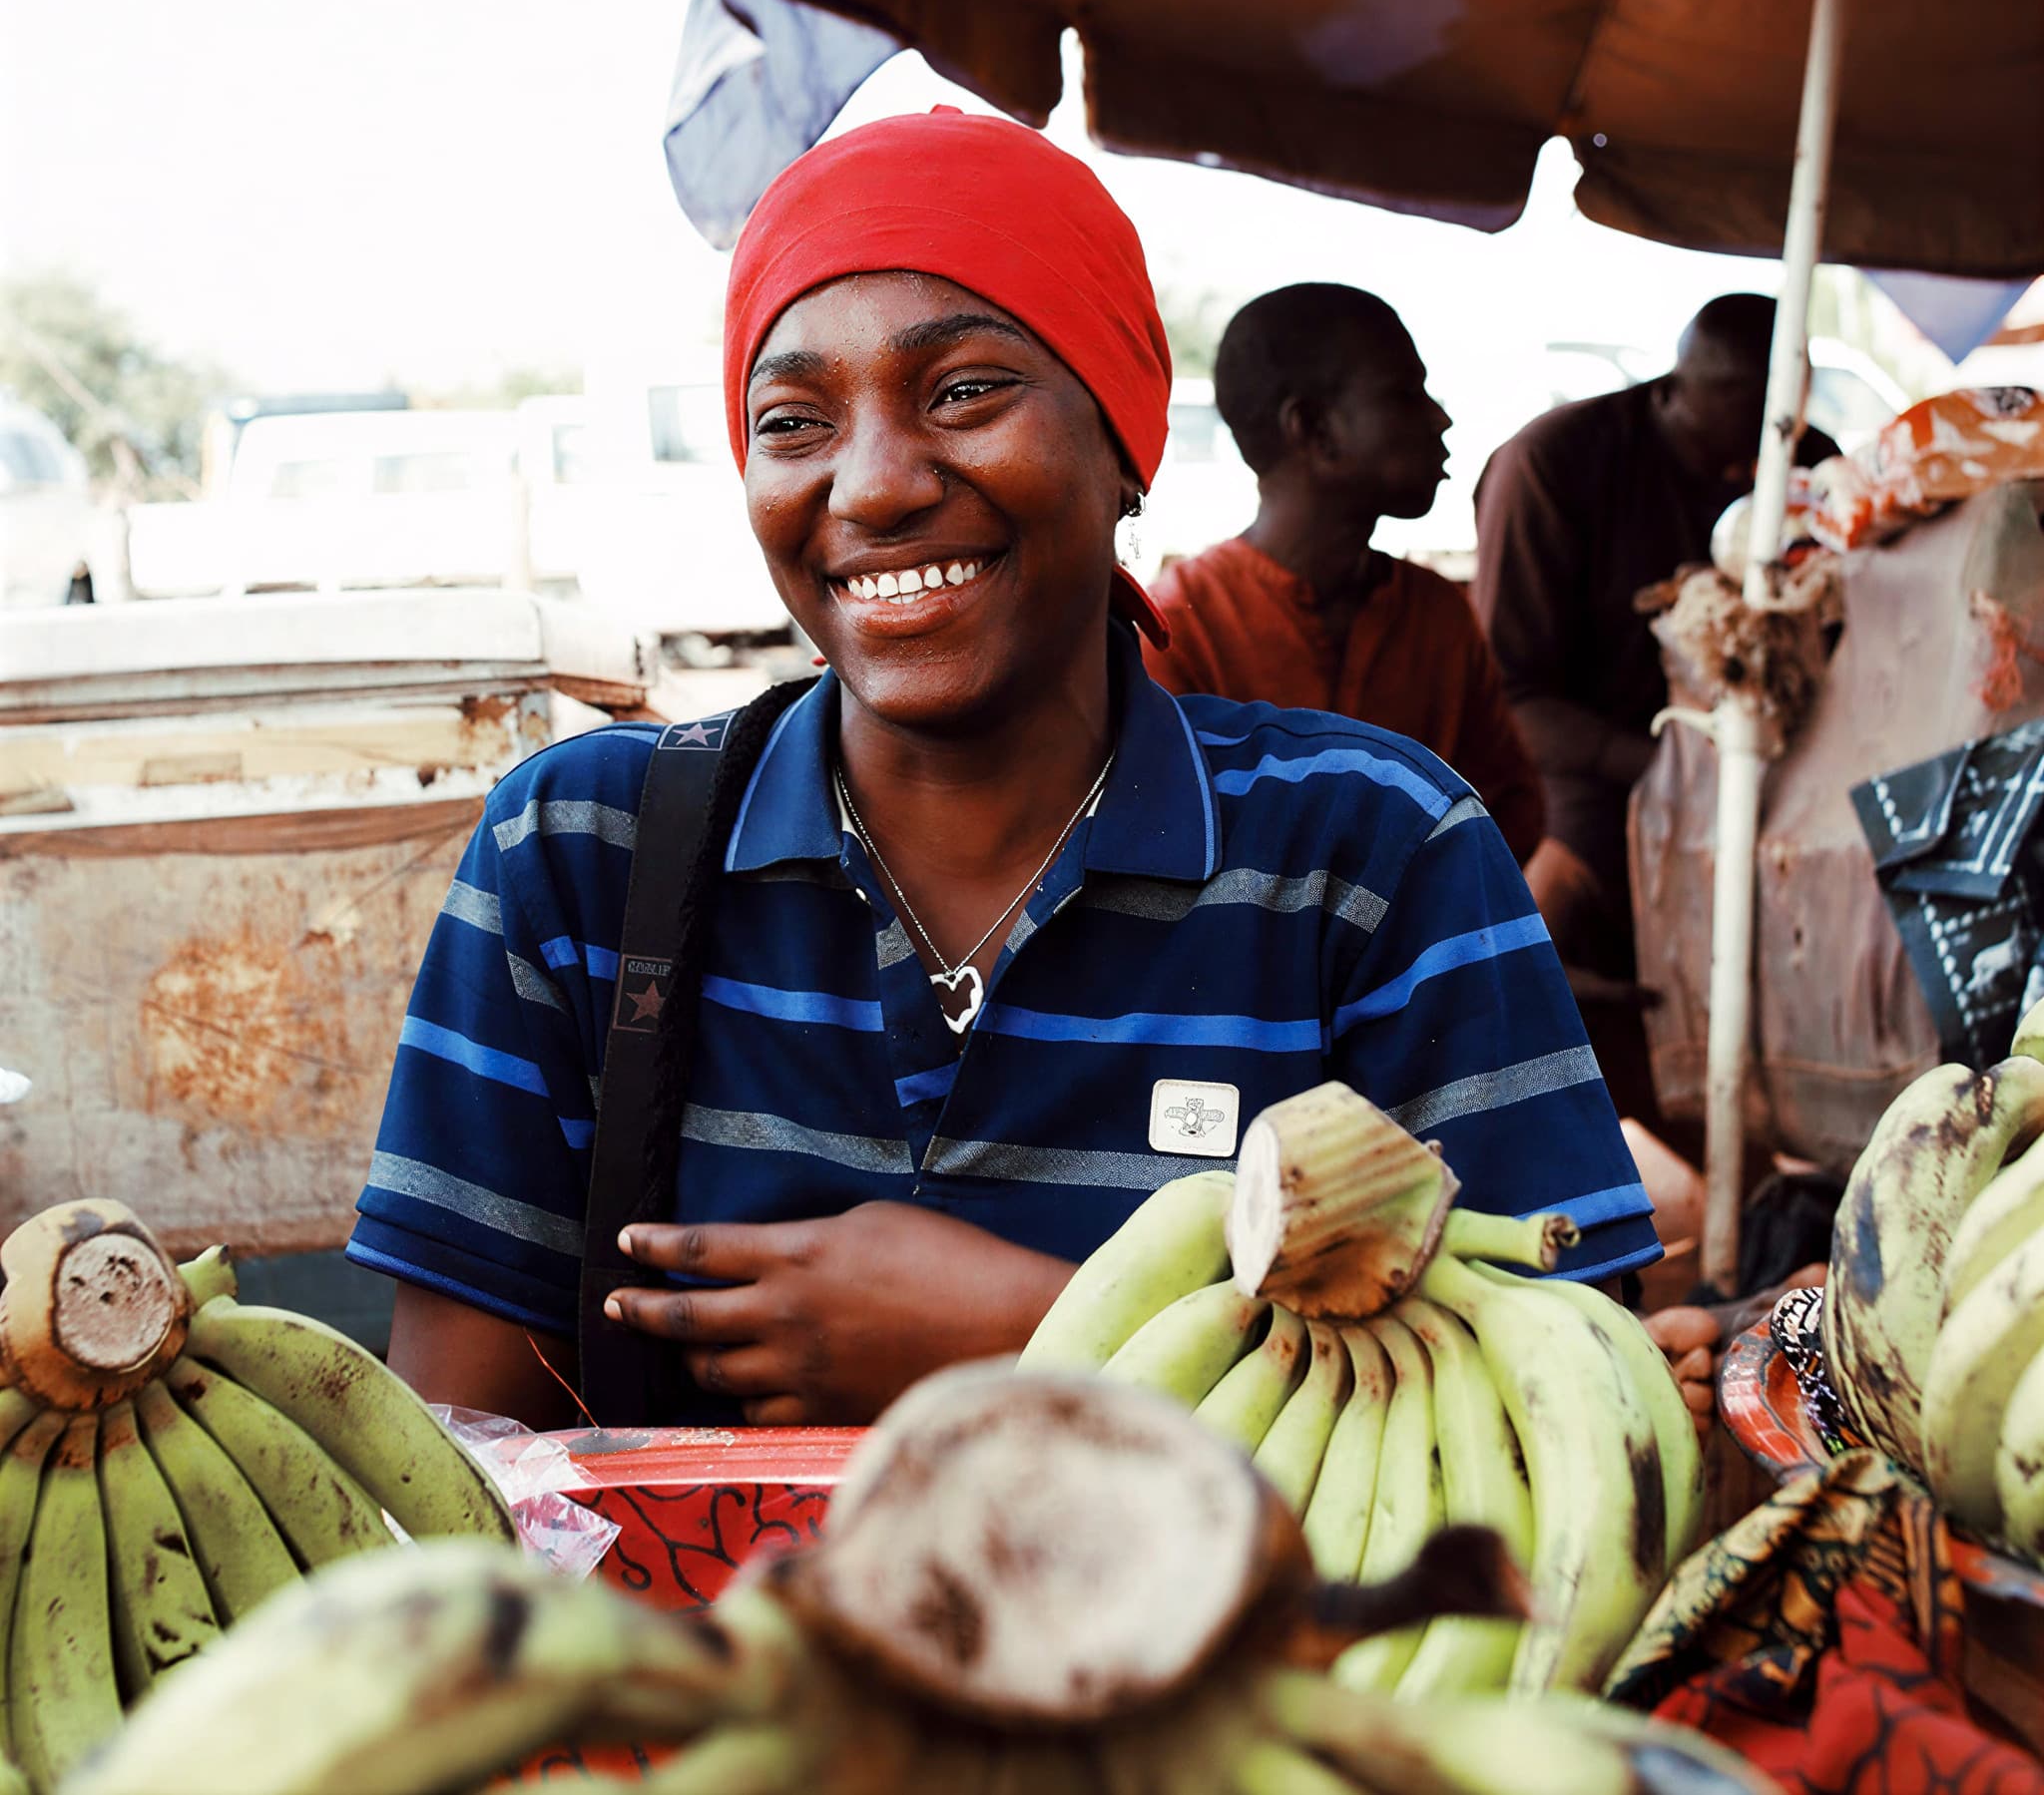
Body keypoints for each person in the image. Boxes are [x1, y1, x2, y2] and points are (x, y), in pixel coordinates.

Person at [347, 110, 1660, 1434]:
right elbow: (458, 1470)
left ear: (1124, 442)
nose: (871, 485)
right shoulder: (584, 853)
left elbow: (1575, 1418)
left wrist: (1046, 1337)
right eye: (793, 420)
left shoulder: (1369, 858)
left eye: (964, 391)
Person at [1471, 294, 1837, 1124]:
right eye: (1759, 407)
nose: (1780, 435)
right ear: (1695, 387)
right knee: (1576, 861)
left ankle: (1787, 1098)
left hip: (1768, 750)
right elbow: (1513, 697)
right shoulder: (1554, 461)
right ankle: (1509, 1023)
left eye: (1792, 408)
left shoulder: (1806, 466)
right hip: (1586, 758)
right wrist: (1674, 770)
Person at [1142, 285, 1543, 865]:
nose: (1441, 418)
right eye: (1405, 394)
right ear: (1314, 429)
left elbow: (1506, 823)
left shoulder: (1437, 614)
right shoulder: (1177, 630)